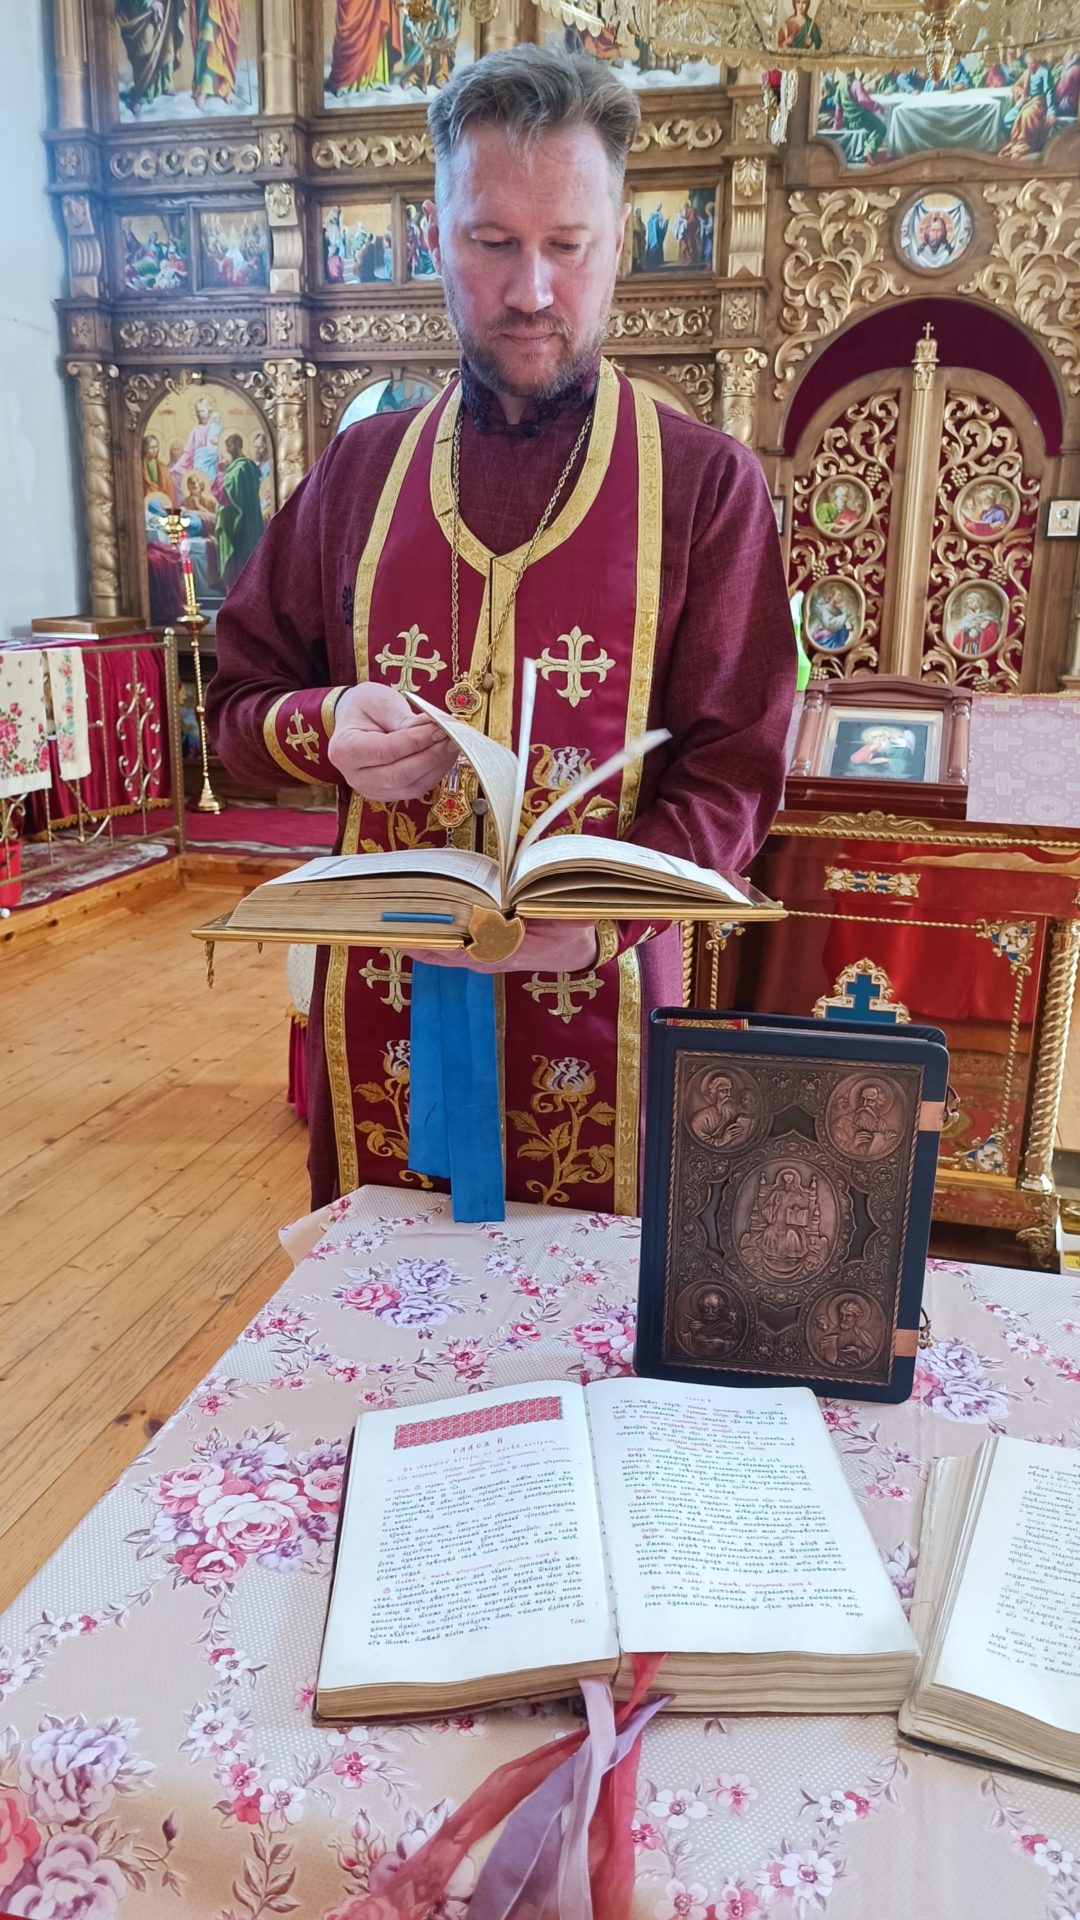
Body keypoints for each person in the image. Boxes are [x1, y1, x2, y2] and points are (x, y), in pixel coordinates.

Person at [207, 46, 794, 1213]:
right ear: (436, 235)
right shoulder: (360, 474)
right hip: (381, 1018)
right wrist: (327, 722)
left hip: (603, 1015)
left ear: (619, 242)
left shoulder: (703, 486)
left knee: (594, 1318)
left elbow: (736, 770)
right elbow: (235, 711)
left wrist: (597, 923)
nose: (532, 290)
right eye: (492, 242)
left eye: (568, 245)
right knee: (384, 1306)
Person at [215, 434, 265, 589]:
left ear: (237, 444)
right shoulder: (236, 466)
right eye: (226, 446)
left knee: (243, 557)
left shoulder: (243, 466)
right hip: (237, 519)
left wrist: (223, 476)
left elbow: (232, 492)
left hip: (242, 521)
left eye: (229, 445)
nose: (227, 449)